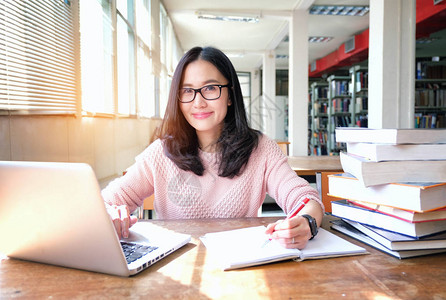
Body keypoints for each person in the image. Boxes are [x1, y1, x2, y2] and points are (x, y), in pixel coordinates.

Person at [102, 46, 324, 250]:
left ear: (229, 95)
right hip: (178, 271)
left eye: (210, 88)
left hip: (243, 266)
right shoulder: (160, 153)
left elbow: (305, 198)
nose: (198, 102)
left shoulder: (261, 149)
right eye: (187, 91)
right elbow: (104, 202)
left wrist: (306, 222)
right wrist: (112, 212)